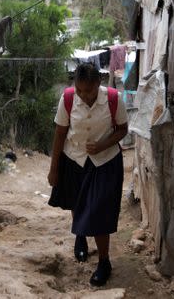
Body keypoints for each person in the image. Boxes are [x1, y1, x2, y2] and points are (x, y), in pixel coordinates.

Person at [47, 63, 128, 287]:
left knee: (100, 211)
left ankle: (104, 262)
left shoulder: (113, 99)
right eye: (79, 90)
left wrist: (103, 144)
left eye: (88, 91)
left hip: (105, 162)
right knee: (78, 202)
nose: (83, 95)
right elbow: (60, 132)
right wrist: (54, 169)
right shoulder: (68, 99)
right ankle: (80, 238)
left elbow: (123, 129)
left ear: (98, 84)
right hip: (74, 159)